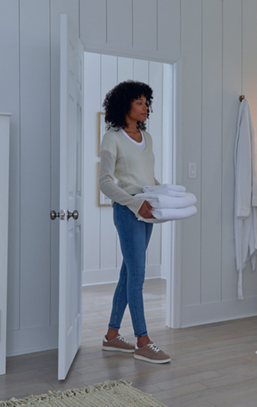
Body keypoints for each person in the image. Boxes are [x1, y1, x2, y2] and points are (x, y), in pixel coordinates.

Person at [98, 80, 171, 364]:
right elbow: (105, 183)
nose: (145, 108)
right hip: (128, 212)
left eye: (146, 102)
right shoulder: (112, 138)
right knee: (138, 276)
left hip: (147, 210)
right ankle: (143, 340)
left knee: (128, 275)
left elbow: (146, 179)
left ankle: (112, 336)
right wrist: (134, 201)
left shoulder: (147, 137)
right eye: (139, 102)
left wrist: (162, 194)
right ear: (125, 104)